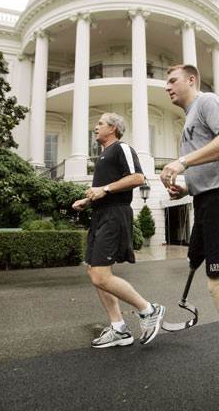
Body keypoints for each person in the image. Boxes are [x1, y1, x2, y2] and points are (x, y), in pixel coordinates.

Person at [162, 64, 219, 351]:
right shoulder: (188, 121)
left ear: (191, 80)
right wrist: (185, 188)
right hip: (205, 201)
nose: (167, 87)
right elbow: (210, 163)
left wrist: (183, 162)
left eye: (173, 80)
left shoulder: (207, 102)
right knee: (196, 261)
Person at [73, 113, 165, 349]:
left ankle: (149, 310)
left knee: (100, 276)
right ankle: (119, 329)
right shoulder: (103, 155)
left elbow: (138, 177)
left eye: (100, 124)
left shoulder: (121, 148)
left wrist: (103, 188)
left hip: (115, 216)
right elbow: (107, 191)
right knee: (95, 273)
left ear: (112, 128)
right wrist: (89, 201)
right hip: (101, 215)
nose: (96, 127)